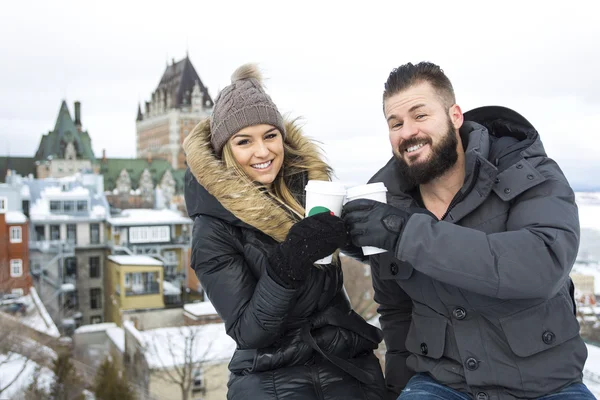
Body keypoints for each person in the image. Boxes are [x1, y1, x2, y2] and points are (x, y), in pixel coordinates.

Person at [342, 62, 593, 400]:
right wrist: (395, 389)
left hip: (548, 385)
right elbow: (398, 312)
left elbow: (542, 264)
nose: (407, 132)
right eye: (395, 123)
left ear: (455, 116)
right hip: (442, 384)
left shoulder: (528, 170)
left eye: (420, 115)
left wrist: (406, 234)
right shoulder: (389, 206)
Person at [183, 64, 385, 400]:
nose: (262, 152)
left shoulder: (309, 192)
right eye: (244, 141)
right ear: (224, 150)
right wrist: (289, 263)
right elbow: (249, 331)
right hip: (270, 376)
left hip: (346, 365)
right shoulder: (212, 228)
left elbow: (347, 272)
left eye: (270, 135)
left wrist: (362, 230)